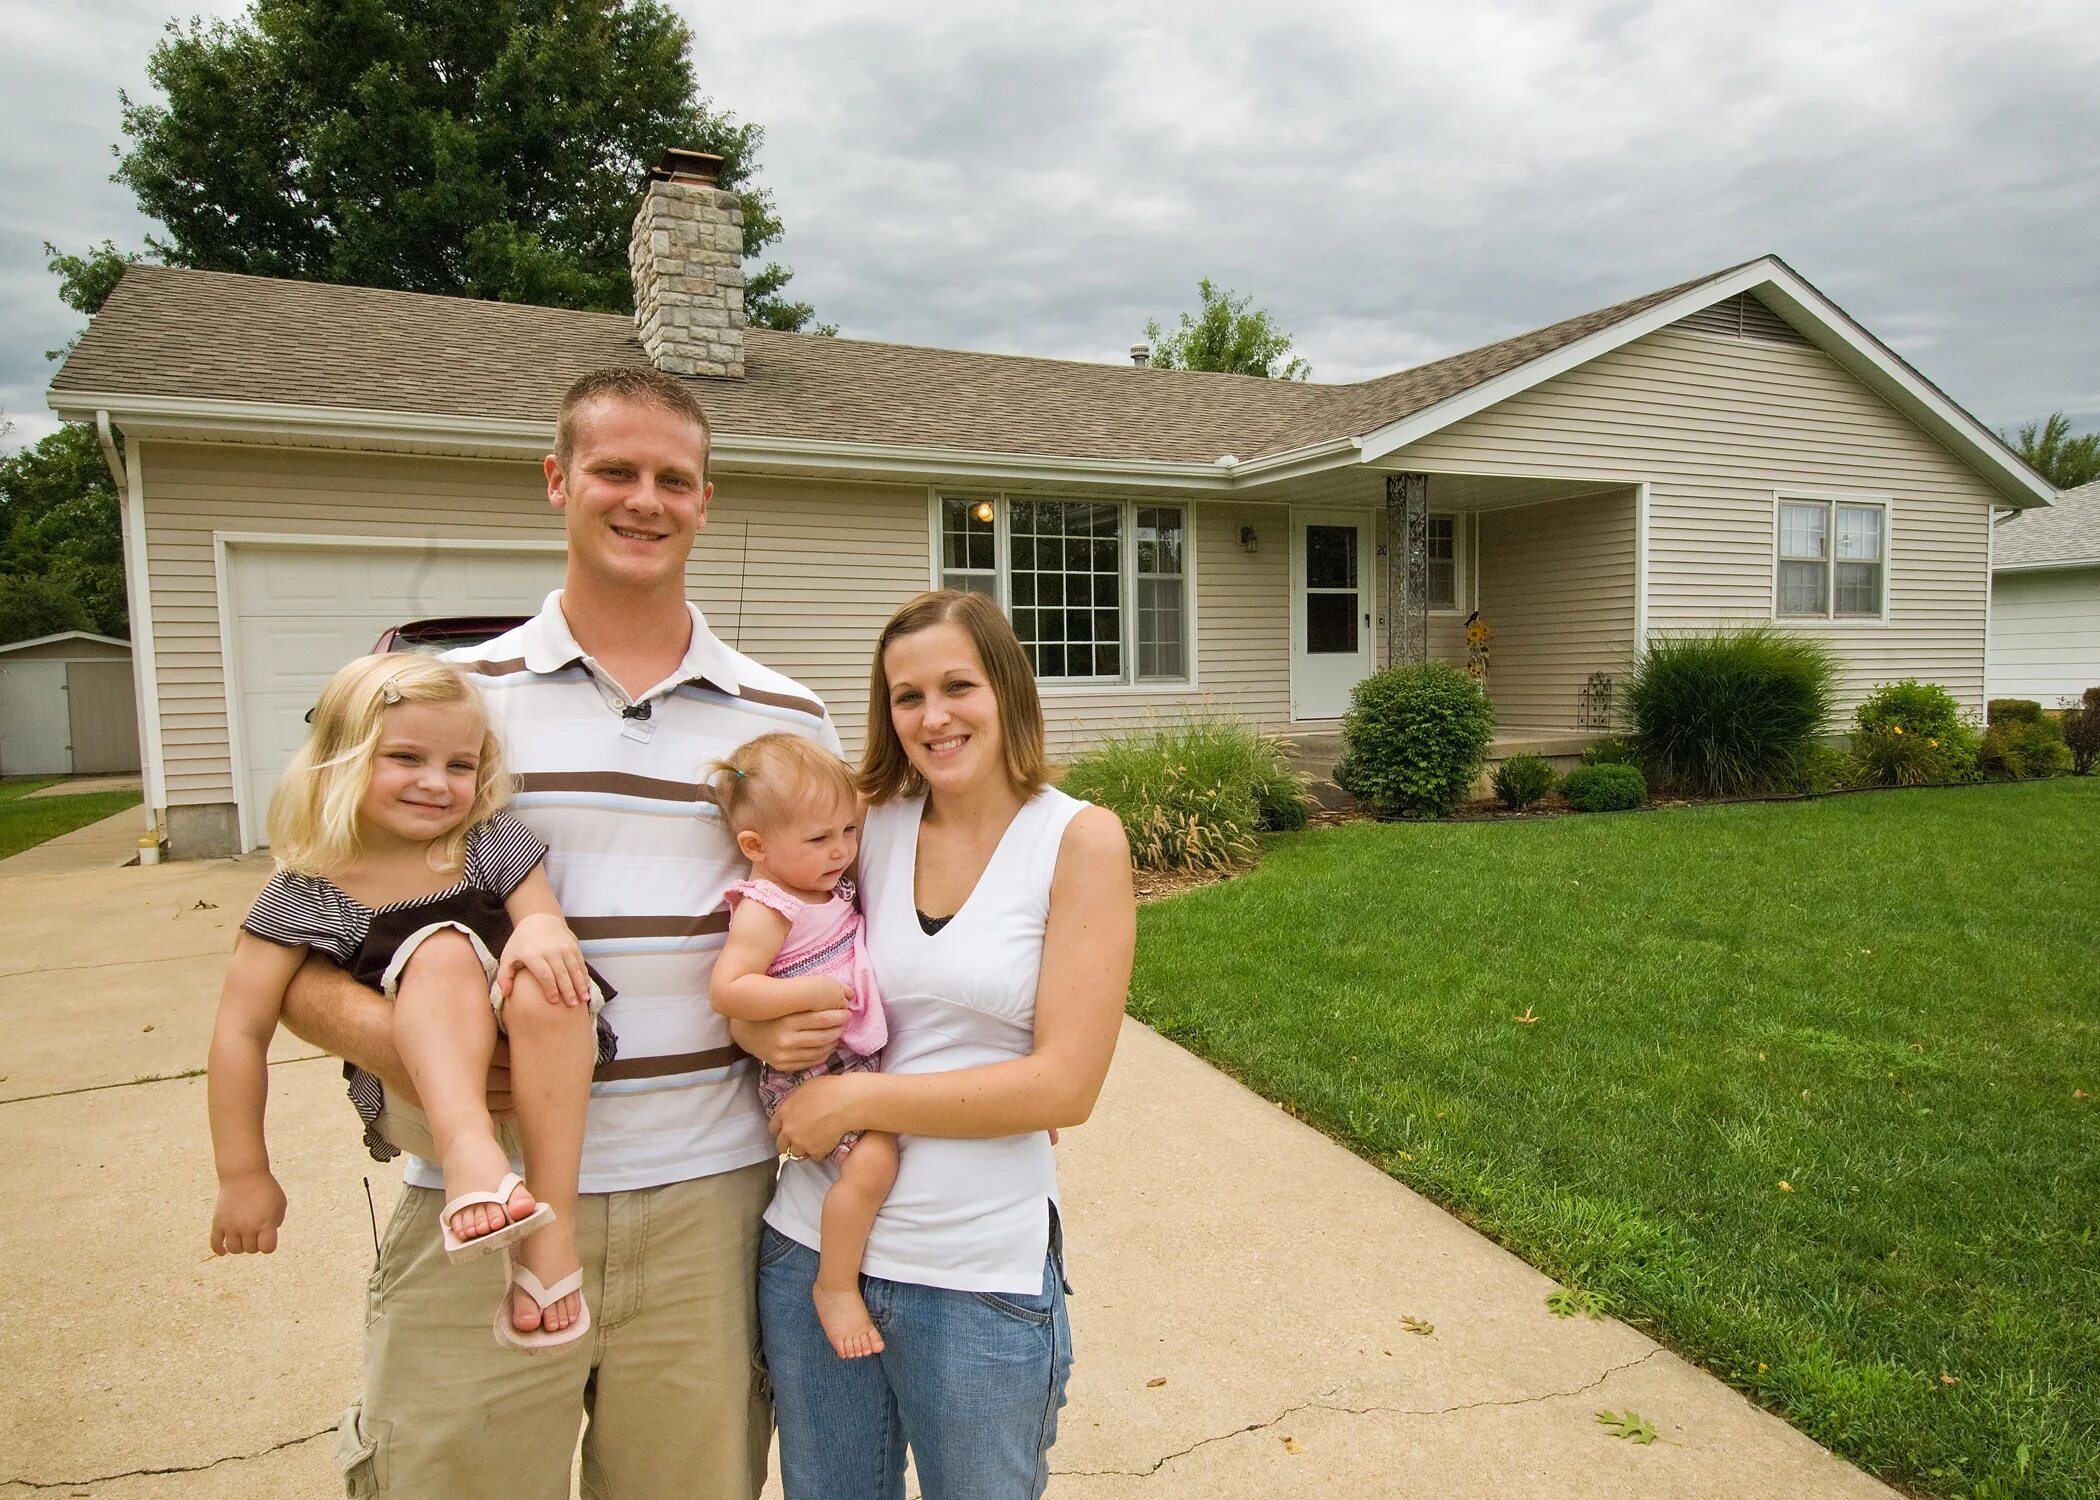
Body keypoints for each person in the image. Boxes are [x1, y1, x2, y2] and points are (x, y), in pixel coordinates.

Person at [278, 367, 842, 1499]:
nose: (646, 499)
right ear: (557, 481)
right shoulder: (448, 705)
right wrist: (414, 1051)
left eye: (673, 478)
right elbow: (295, 949)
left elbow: (834, 933)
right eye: (615, 471)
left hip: (713, 1207)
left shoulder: (786, 717)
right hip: (484, 1203)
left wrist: (810, 1028)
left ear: (705, 499)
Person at [756, 589, 1136, 1500]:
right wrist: (751, 1020)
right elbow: (768, 948)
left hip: (975, 1278)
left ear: (1006, 687)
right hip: (812, 1255)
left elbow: (1065, 1088)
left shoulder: (1077, 839)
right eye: (905, 696)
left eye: (957, 686)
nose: (933, 716)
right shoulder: (861, 832)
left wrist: (855, 1100)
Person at [208, 653, 605, 1351]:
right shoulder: (306, 888)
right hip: (418, 1101)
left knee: (548, 971)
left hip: (549, 1081)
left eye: (460, 765)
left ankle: (551, 1236)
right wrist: (244, 1172)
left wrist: (540, 930)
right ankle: (470, 1155)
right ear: (340, 759)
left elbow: (542, 916)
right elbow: (240, 1030)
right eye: (406, 757)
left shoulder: (486, 842)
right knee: (444, 947)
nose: (436, 783)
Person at [708, 732, 896, 1360]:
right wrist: (806, 993)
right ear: (755, 847)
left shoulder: (828, 884)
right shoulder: (769, 905)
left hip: (853, 1056)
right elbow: (729, 990)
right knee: (874, 1164)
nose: (840, 849)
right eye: (819, 839)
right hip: (808, 1072)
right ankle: (835, 1286)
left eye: (848, 830)